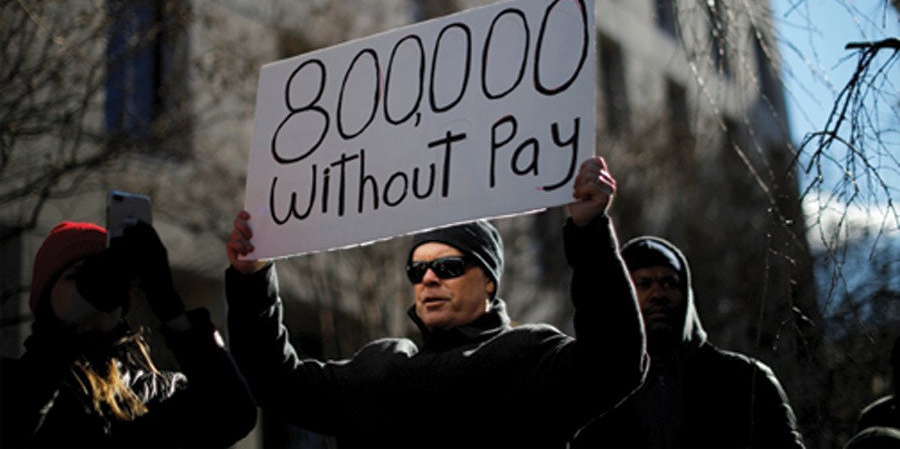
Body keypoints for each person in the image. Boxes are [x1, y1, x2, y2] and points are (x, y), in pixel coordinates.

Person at [225, 156, 647, 448]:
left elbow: (615, 362)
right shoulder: (379, 370)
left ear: (488, 282)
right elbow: (273, 383)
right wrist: (253, 278)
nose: (427, 278)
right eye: (416, 270)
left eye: (447, 267)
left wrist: (589, 230)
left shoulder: (527, 355)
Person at [0, 220, 257, 448]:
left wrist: (169, 307)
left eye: (105, 277)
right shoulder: (18, 384)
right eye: (78, 276)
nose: (94, 288)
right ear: (46, 299)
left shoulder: (159, 390)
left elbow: (233, 415)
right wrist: (68, 331)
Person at [571, 235, 805, 448]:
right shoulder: (597, 392)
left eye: (669, 283)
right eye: (642, 284)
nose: (658, 294)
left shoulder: (744, 380)